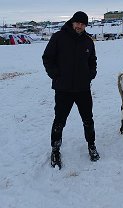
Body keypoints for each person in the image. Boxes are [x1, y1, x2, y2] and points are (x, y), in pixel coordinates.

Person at [42, 11, 99, 169]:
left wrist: (91, 74)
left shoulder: (88, 41)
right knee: (59, 121)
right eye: (77, 22)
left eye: (83, 24)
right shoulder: (58, 37)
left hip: (83, 89)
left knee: (88, 120)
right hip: (63, 89)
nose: (80, 26)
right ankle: (55, 149)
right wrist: (55, 75)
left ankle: (91, 145)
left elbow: (92, 60)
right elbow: (47, 58)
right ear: (72, 22)